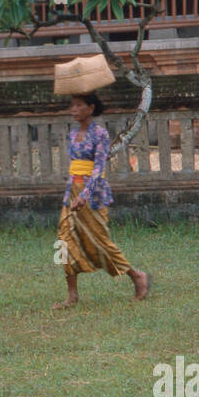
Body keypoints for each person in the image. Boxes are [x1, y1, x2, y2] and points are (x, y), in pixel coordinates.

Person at [54, 89, 150, 310]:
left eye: (79, 105)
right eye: (73, 105)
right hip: (72, 192)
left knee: (99, 241)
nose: (74, 109)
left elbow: (98, 169)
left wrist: (85, 195)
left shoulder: (101, 134)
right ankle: (72, 295)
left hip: (93, 195)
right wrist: (73, 194)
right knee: (64, 239)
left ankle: (136, 276)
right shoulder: (72, 134)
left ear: (91, 108)